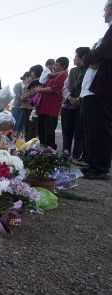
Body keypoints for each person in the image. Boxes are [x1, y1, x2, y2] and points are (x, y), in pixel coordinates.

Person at [80, 0, 112, 180]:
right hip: (99, 88)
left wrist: (90, 56)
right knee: (93, 129)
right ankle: (93, 164)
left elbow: (101, 53)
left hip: (104, 87)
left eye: (105, 9)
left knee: (100, 129)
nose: (103, 13)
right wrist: (93, 56)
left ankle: (100, 168)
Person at [61, 47, 90, 163]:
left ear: (83, 57)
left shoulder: (89, 71)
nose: (74, 59)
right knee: (66, 132)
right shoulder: (73, 71)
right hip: (67, 106)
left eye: (76, 56)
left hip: (81, 107)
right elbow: (65, 86)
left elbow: (88, 88)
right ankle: (65, 155)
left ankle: (76, 157)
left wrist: (79, 100)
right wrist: (69, 97)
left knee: (79, 133)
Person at [35, 57, 69, 149]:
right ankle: (43, 148)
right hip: (43, 107)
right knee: (41, 129)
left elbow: (53, 89)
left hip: (52, 108)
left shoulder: (64, 76)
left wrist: (39, 90)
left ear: (63, 66)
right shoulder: (54, 75)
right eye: (54, 64)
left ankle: (50, 150)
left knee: (49, 130)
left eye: (57, 65)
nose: (54, 66)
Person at [21, 65, 44, 141]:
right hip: (31, 107)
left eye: (31, 72)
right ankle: (29, 145)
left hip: (31, 108)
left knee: (30, 128)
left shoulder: (36, 82)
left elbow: (26, 95)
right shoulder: (39, 81)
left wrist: (24, 97)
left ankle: (30, 146)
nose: (30, 74)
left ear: (34, 72)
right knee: (30, 128)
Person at [13, 72, 32, 136]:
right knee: (15, 125)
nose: (31, 79)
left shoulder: (29, 85)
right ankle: (11, 140)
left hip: (25, 107)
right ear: (26, 76)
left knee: (21, 126)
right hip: (17, 107)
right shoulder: (18, 85)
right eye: (30, 77)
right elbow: (18, 97)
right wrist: (27, 97)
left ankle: (17, 140)